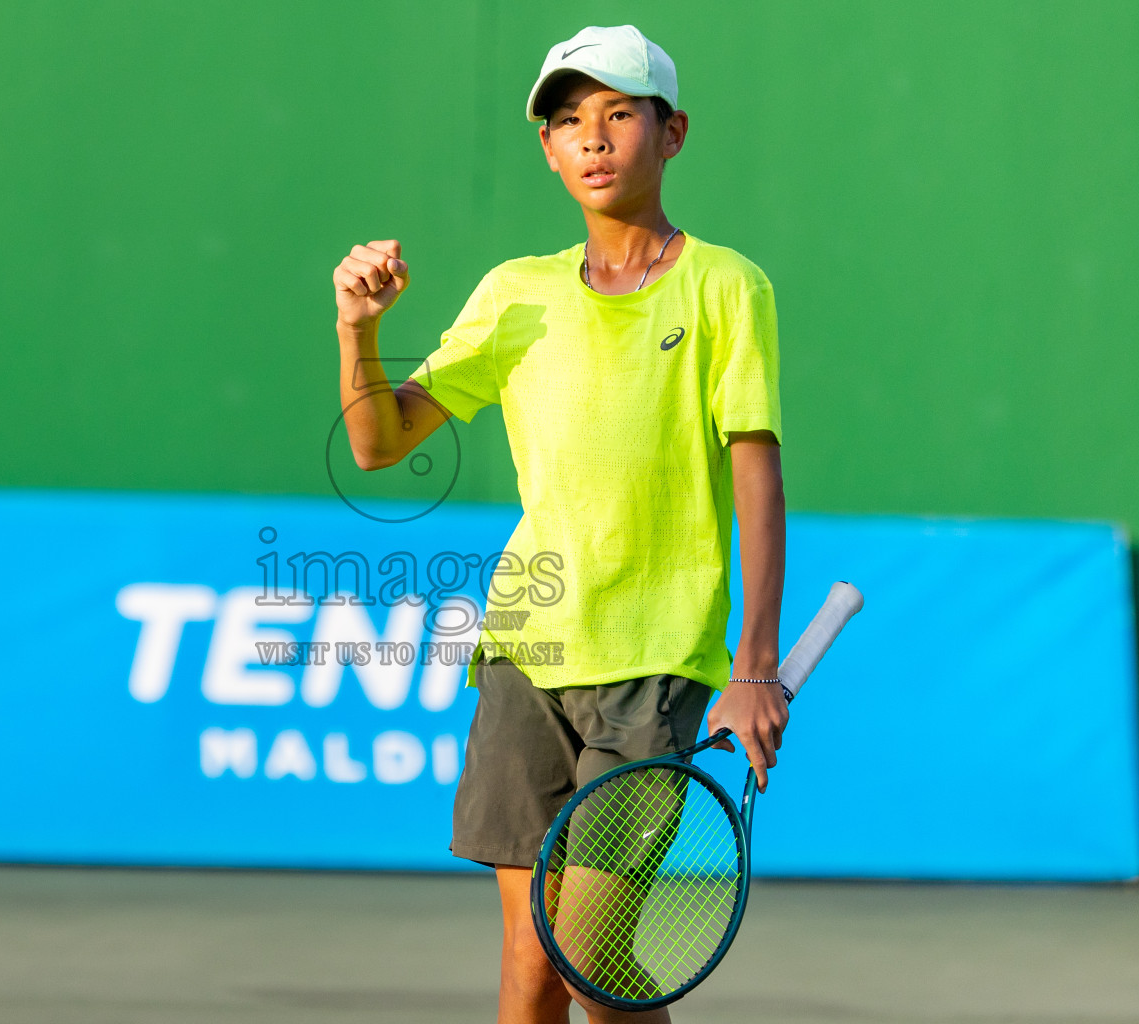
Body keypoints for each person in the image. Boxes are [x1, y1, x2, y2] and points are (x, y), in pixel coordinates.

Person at [331, 24, 787, 1024]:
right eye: (570, 121)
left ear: (671, 134)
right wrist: (357, 329)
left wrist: (753, 664)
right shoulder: (516, 294)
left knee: (591, 951)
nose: (593, 139)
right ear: (547, 149)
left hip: (658, 659)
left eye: (619, 114)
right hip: (523, 651)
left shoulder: (726, 287)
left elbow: (758, 475)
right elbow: (376, 442)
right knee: (533, 963)